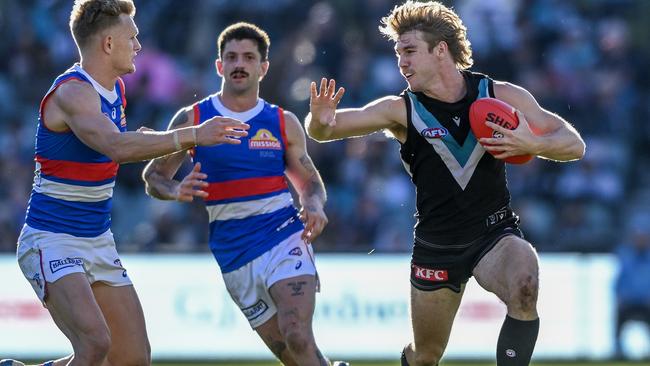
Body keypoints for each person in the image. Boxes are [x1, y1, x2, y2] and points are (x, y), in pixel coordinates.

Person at [306, 1, 585, 366]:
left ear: (440, 50)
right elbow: (327, 130)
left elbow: (573, 144)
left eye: (409, 51)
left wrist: (534, 144)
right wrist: (319, 120)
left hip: (494, 234)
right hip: (437, 246)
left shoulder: (497, 94)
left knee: (525, 285)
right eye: (397, 53)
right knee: (426, 356)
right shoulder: (400, 110)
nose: (401, 62)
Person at [1, 1, 249, 366]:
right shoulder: (73, 93)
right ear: (107, 44)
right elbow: (115, 146)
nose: (138, 46)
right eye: (132, 37)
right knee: (95, 344)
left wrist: (166, 161)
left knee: (134, 357)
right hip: (51, 240)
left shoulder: (115, 88)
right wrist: (192, 135)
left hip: (98, 240)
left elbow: (120, 146)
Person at [141, 22, 346, 366]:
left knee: (297, 333)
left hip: (282, 236)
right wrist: (176, 189)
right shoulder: (193, 118)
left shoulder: (282, 122)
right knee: (291, 354)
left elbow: (309, 182)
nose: (240, 64)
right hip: (232, 251)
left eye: (249, 57)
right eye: (232, 57)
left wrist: (313, 204)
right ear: (219, 65)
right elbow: (153, 177)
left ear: (263, 67)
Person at [614, 212, 650, 359]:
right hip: (629, 303)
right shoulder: (625, 256)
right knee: (618, 315)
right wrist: (620, 297)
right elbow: (619, 282)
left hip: (647, 304)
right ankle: (618, 351)